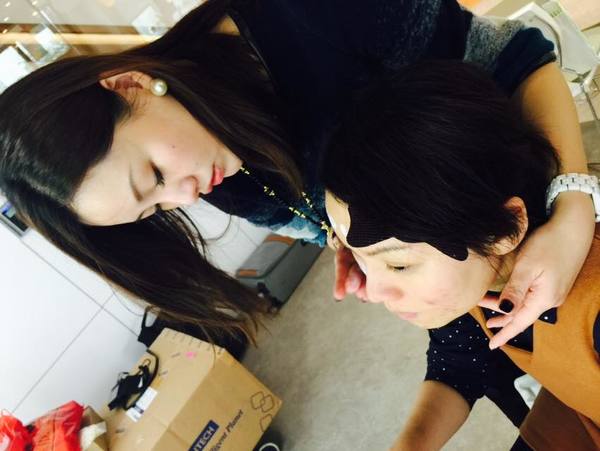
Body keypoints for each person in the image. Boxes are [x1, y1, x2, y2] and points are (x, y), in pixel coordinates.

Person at [0, 0, 594, 344]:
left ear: (129, 85)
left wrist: (573, 205)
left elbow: (522, 59)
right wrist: (349, 243)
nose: (183, 196)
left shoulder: (306, 14)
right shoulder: (218, 178)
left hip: (543, 212)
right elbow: (337, 217)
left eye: (153, 174)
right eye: (154, 208)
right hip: (487, 283)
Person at [321, 60, 600, 450]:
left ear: (503, 230)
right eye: (358, 258)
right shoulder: (477, 281)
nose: (374, 291)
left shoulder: (591, 305)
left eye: (398, 264)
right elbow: (458, 362)